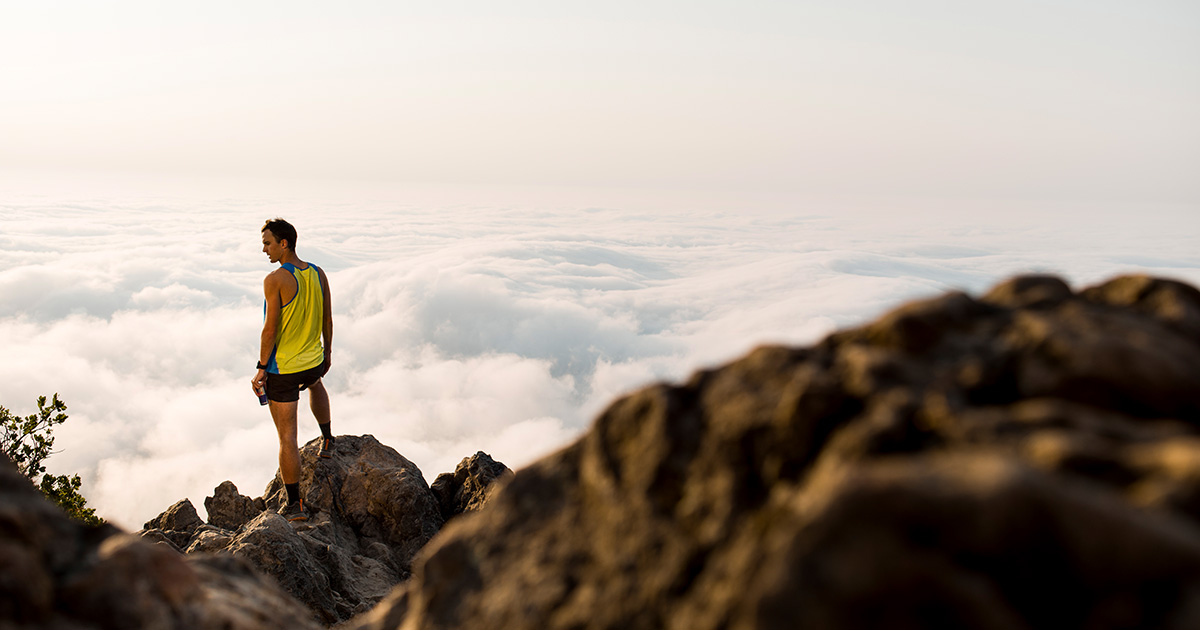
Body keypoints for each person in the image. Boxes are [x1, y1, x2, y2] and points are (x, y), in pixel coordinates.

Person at [251, 218, 334, 522]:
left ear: (283, 243)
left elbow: (269, 330)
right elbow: (327, 319)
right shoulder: (317, 273)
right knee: (316, 385)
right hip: (312, 361)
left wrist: (262, 368)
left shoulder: (275, 280)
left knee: (288, 438)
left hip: (283, 369)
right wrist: (327, 353)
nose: (264, 250)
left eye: (267, 243)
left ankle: (295, 504)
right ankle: (328, 439)